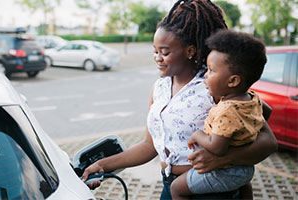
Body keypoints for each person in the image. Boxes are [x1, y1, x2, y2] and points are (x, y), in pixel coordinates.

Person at [82, 0, 278, 199]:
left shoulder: (214, 85)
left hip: (210, 189)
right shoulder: (159, 88)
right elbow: (149, 147)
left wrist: (222, 159)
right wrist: (102, 165)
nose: (157, 57)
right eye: (155, 51)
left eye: (165, 52)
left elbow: (268, 141)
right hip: (170, 186)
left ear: (190, 50)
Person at [170, 30, 267, 200]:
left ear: (233, 81)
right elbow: (268, 112)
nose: (205, 75)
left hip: (225, 171)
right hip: (245, 169)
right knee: (244, 186)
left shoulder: (227, 110)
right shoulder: (251, 98)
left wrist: (198, 135)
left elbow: (217, 148)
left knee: (177, 188)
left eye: (211, 70)